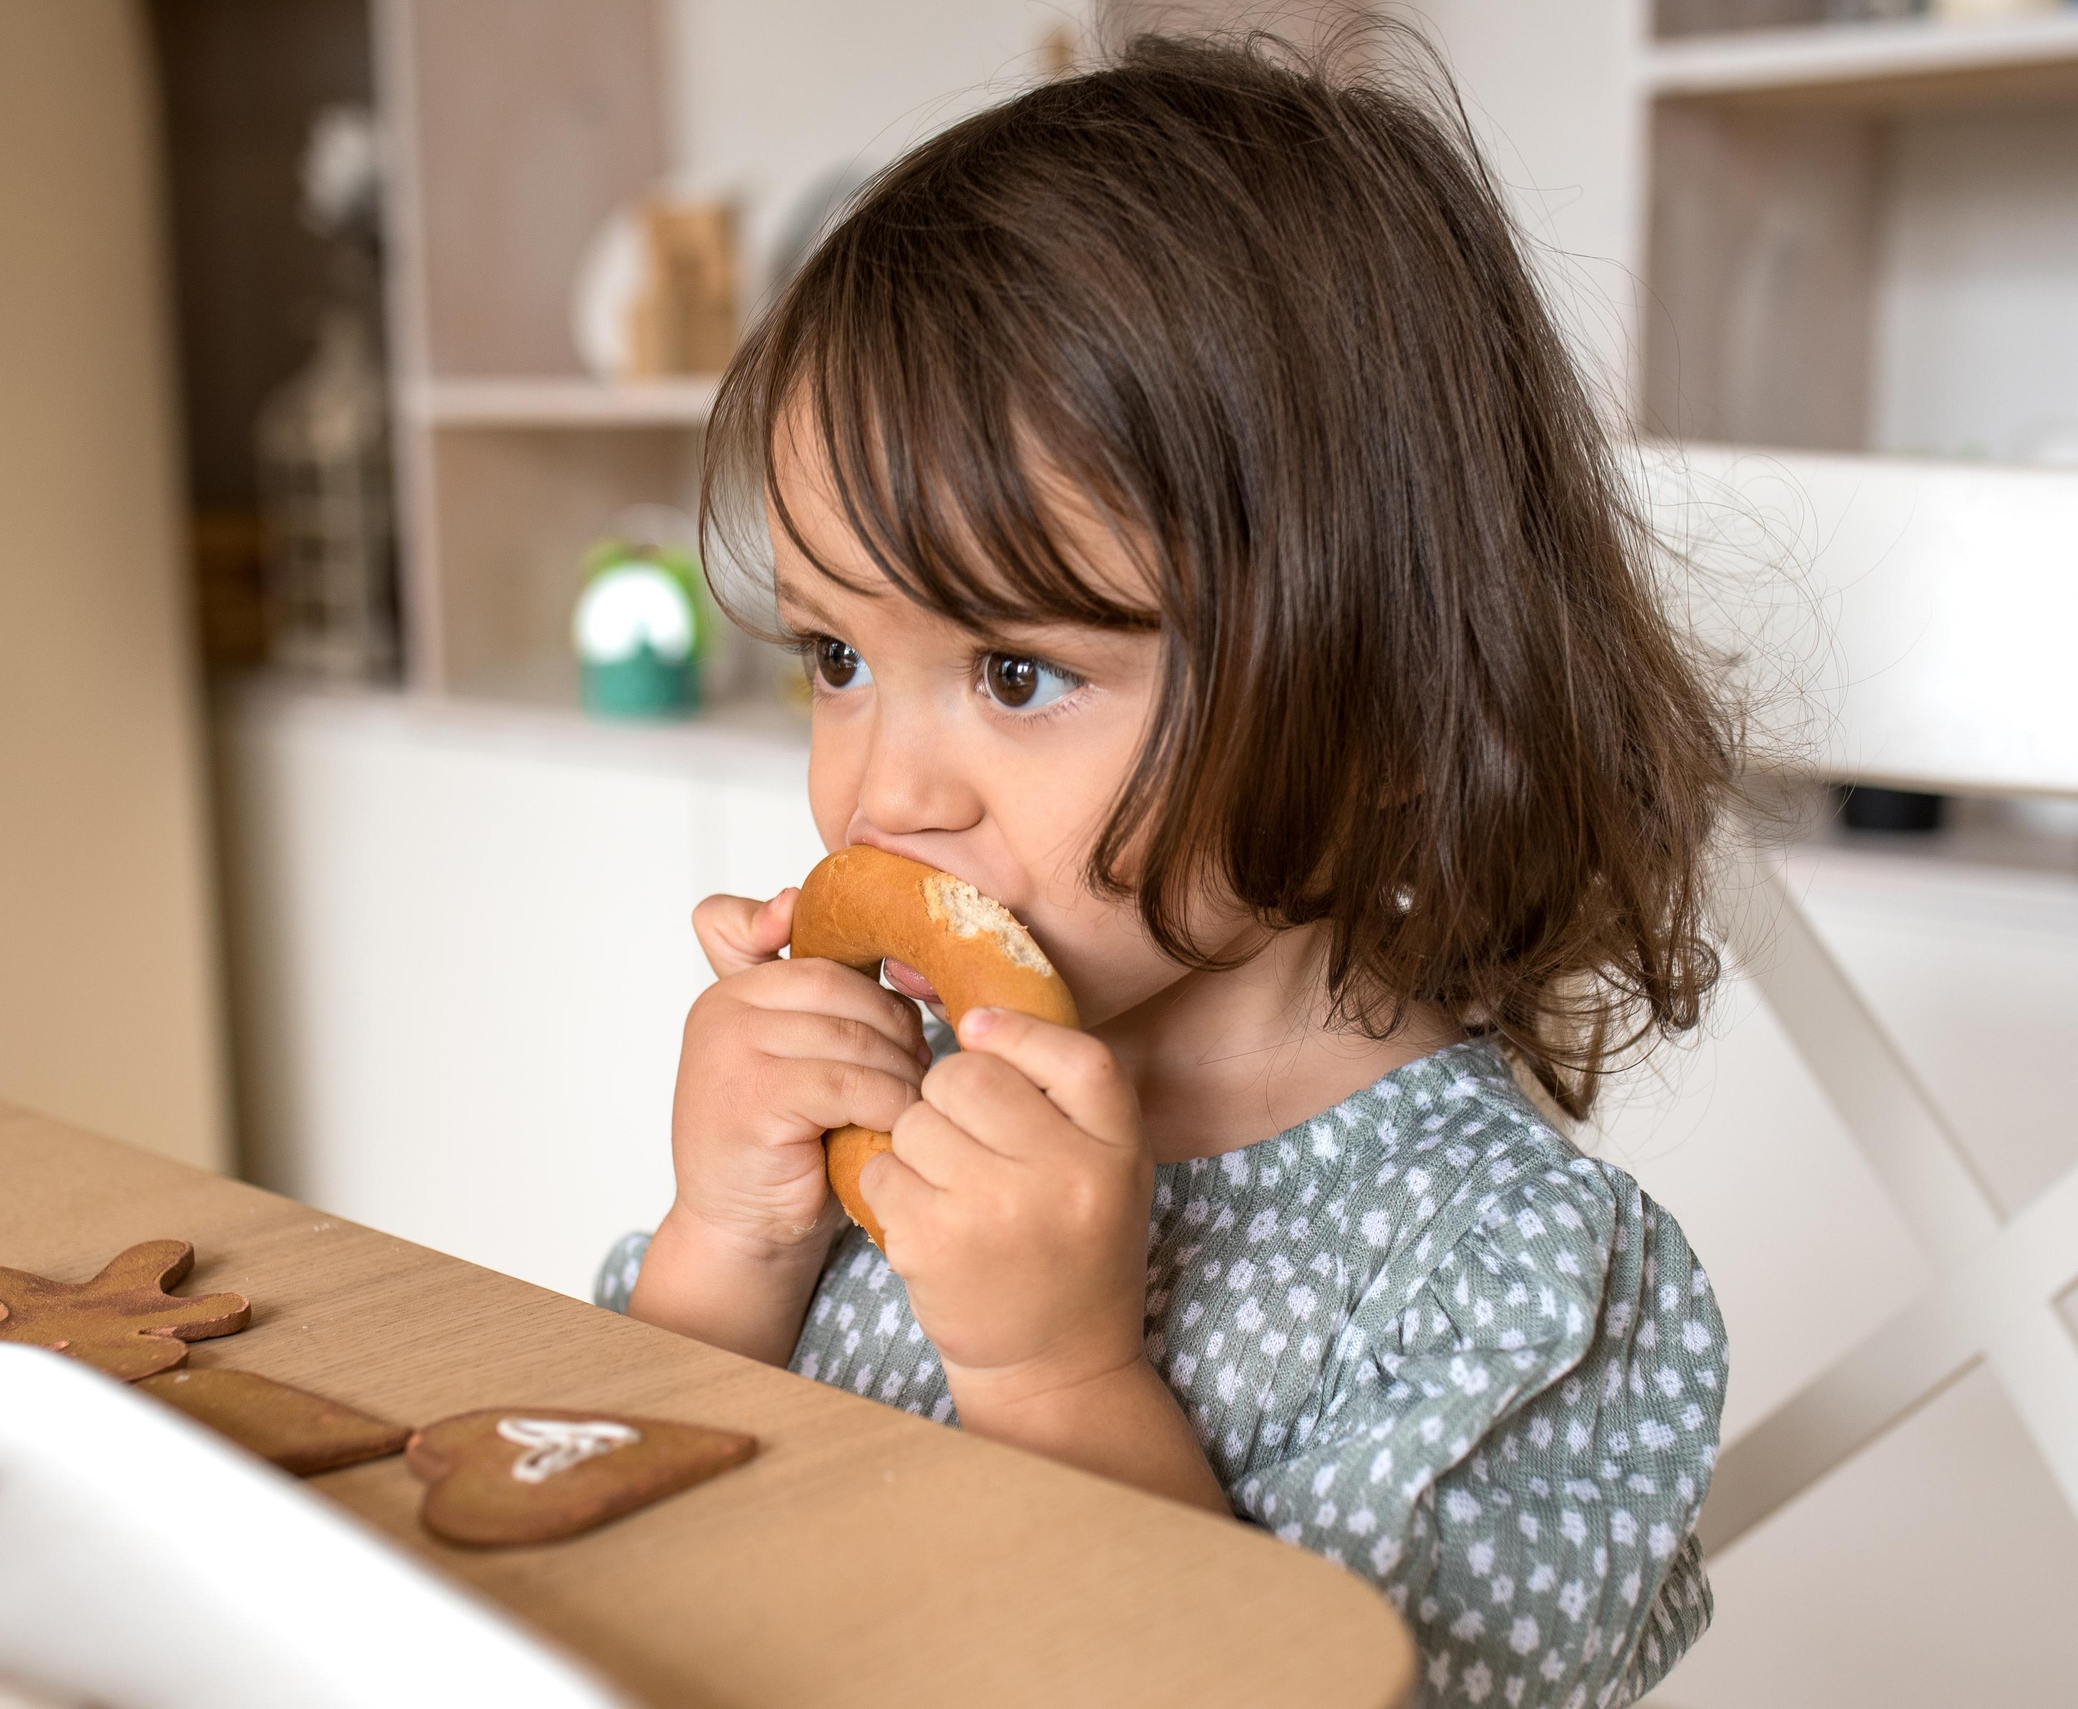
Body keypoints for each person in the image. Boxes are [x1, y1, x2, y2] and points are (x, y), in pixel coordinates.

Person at [595, 30, 1732, 1707]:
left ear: (1377, 703)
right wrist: (723, 1242)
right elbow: (598, 1517)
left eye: (1011, 673)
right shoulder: (890, 1096)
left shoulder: (1507, 1277)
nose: (880, 795)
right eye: (837, 658)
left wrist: (1059, 1372)